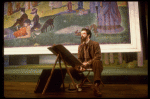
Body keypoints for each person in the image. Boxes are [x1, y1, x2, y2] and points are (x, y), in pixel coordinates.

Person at [68, 28, 103, 97]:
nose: (82, 35)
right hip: (84, 65)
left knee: (97, 61)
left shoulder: (95, 44)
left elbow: (98, 56)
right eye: (81, 34)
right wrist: (80, 66)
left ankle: (96, 85)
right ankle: (84, 79)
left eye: (83, 33)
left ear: (88, 35)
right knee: (70, 69)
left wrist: (88, 63)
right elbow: (79, 59)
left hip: (93, 64)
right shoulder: (80, 46)